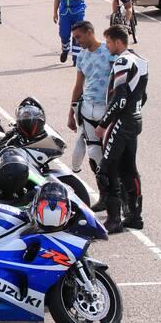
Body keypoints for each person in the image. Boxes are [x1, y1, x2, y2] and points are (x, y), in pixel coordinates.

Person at [95, 25, 148, 233]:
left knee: (106, 170)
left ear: (118, 42)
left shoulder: (122, 61)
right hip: (135, 120)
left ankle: (114, 219)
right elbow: (142, 97)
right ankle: (134, 216)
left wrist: (103, 123)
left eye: (108, 42)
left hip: (121, 122)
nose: (106, 46)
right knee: (129, 168)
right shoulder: (140, 61)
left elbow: (120, 98)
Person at [66, 20, 115, 211]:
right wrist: (71, 112)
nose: (76, 41)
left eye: (78, 37)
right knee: (94, 154)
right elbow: (78, 85)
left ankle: (121, 196)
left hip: (106, 109)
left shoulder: (108, 52)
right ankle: (104, 195)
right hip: (88, 109)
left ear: (90, 32)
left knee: (112, 154)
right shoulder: (82, 57)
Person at [53, 0, 87, 64]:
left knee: (78, 34)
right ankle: (65, 49)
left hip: (77, 10)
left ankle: (76, 59)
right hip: (64, 11)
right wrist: (54, 12)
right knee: (64, 34)